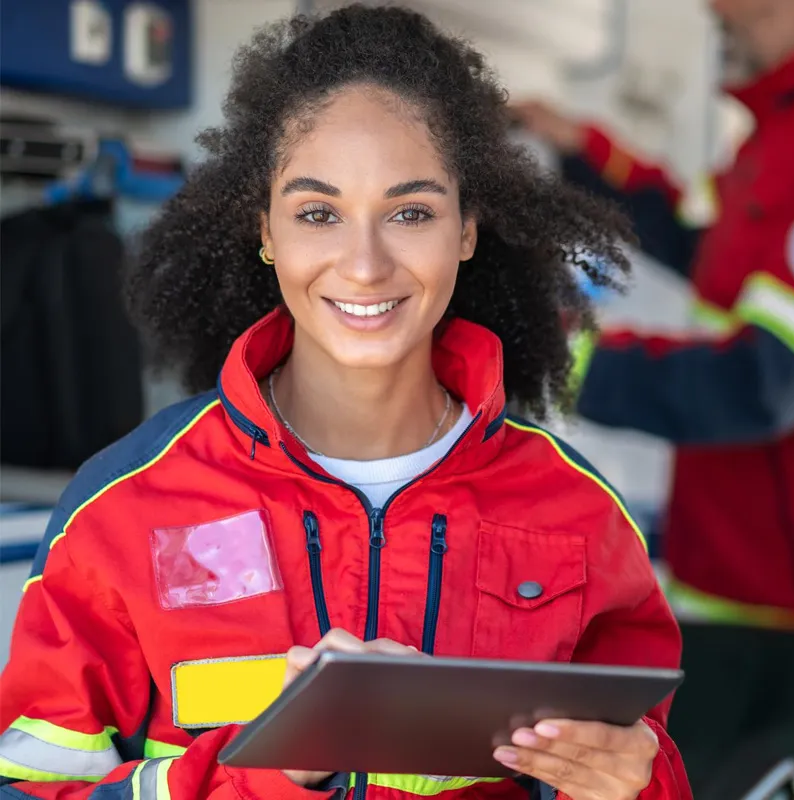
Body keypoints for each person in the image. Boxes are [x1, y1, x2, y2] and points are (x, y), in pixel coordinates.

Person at [0, 6, 691, 799]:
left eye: (411, 213)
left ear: (467, 229)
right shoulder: (125, 506)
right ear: (267, 230)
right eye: (318, 213)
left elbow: (645, 765)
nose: (364, 265)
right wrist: (276, 771)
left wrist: (636, 785)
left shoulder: (578, 514)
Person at [512, 0, 794, 791]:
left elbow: (763, 386)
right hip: (728, 582)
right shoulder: (772, 137)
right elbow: (697, 236)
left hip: (777, 614)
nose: (714, 11)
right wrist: (586, 158)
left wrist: (560, 360)